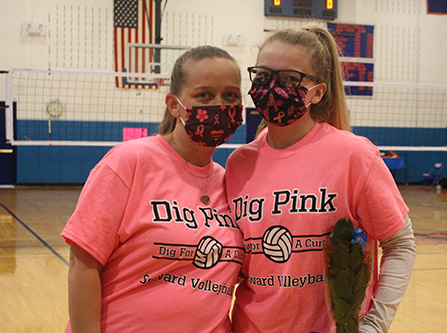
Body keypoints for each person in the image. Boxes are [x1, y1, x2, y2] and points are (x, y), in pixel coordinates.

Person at [225, 24, 416, 333]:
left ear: (317, 92)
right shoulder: (239, 163)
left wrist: (376, 325)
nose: (272, 87)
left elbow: (400, 243)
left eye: (289, 79)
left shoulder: (354, 155)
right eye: (263, 76)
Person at [61, 45, 245, 332]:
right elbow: (83, 265)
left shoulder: (231, 182)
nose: (217, 105)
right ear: (174, 104)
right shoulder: (130, 161)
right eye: (204, 95)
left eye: (230, 95)